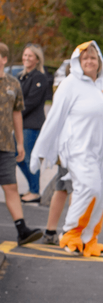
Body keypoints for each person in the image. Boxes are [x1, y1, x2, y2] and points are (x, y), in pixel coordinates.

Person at [31, 40, 103, 256]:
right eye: (85, 58)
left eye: (93, 58)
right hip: (77, 148)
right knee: (89, 188)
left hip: (102, 150)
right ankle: (70, 233)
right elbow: (54, 118)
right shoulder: (69, 85)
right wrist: (40, 151)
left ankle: (89, 238)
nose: (89, 61)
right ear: (77, 62)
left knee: (101, 194)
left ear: (99, 61)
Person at [0, 43, 42, 245]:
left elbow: (17, 113)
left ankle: (22, 230)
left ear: (4, 59)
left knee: (11, 187)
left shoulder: (13, 84)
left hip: (6, 145)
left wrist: (20, 143)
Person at [17, 43, 47, 203]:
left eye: (30, 56)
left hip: (32, 125)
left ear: (37, 59)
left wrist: (13, 114)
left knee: (29, 158)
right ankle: (31, 188)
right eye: (25, 55)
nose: (26, 58)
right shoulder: (22, 77)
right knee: (17, 156)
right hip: (20, 125)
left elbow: (31, 102)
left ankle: (35, 192)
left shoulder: (39, 78)